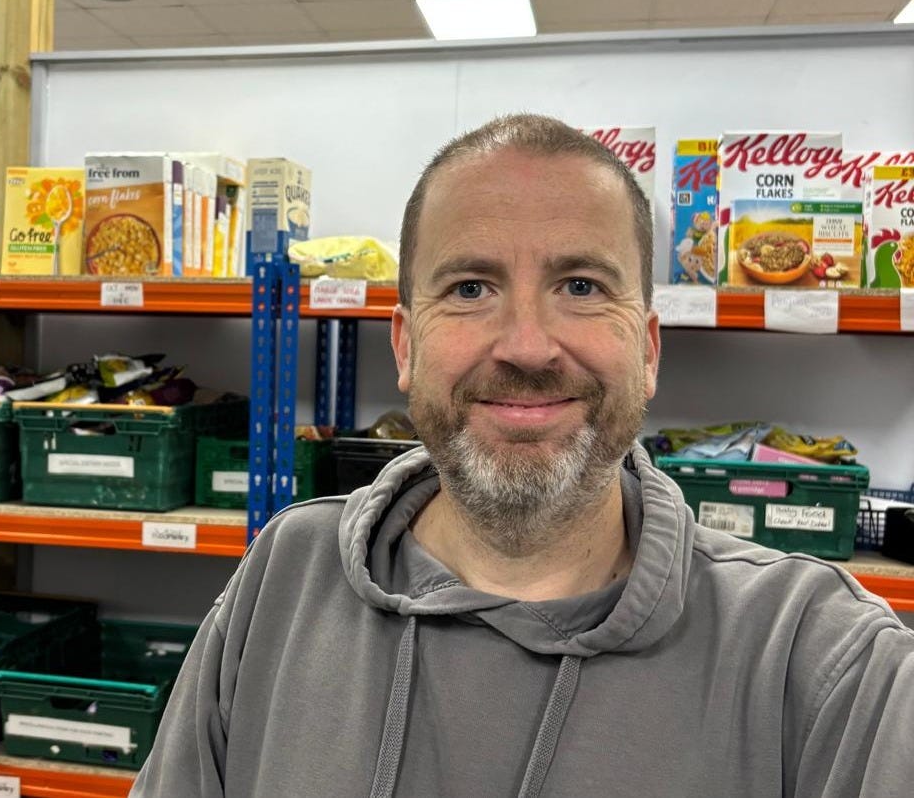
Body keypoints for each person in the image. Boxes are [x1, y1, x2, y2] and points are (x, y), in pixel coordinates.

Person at [130, 114, 914, 798]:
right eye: (471, 289)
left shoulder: (820, 657)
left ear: (648, 350)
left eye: (581, 286)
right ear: (405, 346)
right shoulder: (285, 580)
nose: (528, 347)